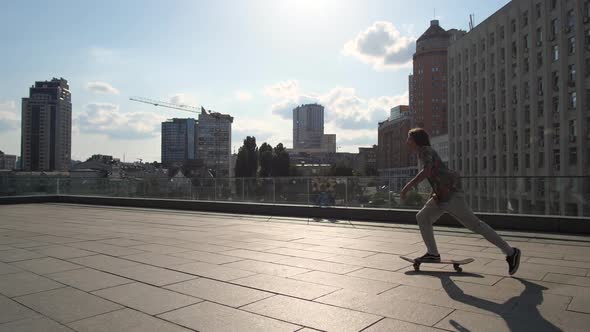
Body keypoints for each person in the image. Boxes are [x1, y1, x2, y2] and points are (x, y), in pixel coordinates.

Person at [400, 128, 521, 275]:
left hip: (451, 195)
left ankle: (510, 252)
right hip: (441, 195)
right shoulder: (425, 152)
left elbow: (427, 171)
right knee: (422, 216)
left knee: (476, 225)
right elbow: (437, 173)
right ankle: (433, 254)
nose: (407, 142)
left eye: (409, 138)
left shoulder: (425, 151)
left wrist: (407, 187)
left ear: (416, 140)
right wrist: (434, 192)